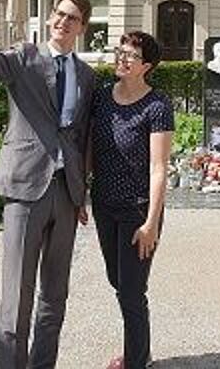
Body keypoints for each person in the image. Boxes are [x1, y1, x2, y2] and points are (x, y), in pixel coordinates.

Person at [0, 0, 95, 369]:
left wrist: (82, 192)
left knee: (55, 296)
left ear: (82, 28)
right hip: (24, 188)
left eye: (72, 18)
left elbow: (83, 136)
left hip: (66, 194)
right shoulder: (24, 58)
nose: (63, 21)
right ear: (49, 19)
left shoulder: (87, 75)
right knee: (17, 295)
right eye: (59, 14)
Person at [88, 31, 174, 369]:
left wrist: (151, 223)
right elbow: (89, 148)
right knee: (117, 282)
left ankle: (137, 361)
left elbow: (159, 167)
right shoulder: (101, 97)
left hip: (138, 210)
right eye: (120, 51)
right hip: (104, 205)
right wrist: (80, 194)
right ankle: (139, 350)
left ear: (146, 66)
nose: (122, 59)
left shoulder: (157, 105)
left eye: (131, 55)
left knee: (132, 291)